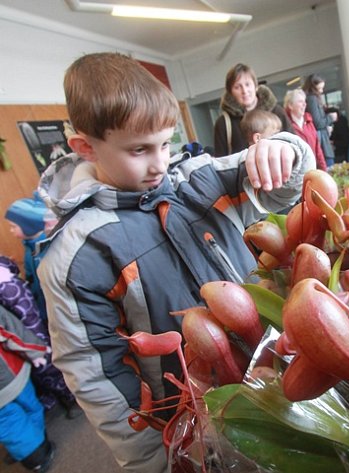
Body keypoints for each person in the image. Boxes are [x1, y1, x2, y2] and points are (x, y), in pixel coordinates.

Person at [36, 52, 314, 472]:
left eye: (166, 143)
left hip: (282, 370)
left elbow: (283, 186)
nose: (160, 162)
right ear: (85, 147)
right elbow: (99, 377)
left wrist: (284, 150)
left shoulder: (197, 176)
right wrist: (154, 462)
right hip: (203, 422)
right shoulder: (76, 254)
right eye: (139, 149)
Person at [0, 255, 80, 418]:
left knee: (47, 367)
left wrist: (34, 341)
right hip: (22, 331)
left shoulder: (6, 285)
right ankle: (52, 395)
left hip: (29, 331)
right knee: (39, 369)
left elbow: (25, 313)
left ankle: (72, 397)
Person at [0, 304, 55, 472]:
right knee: (29, 407)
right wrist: (36, 350)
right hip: (12, 374)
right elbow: (12, 331)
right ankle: (36, 455)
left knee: (9, 423)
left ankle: (30, 449)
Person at [213, 63, 293, 157]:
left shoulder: (277, 112)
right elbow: (221, 161)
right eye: (237, 87)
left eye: (247, 84)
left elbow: (294, 144)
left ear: (255, 86)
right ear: (231, 92)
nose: (244, 91)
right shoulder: (224, 123)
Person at [4, 195, 54, 320]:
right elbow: (30, 274)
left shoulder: (46, 246)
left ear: (29, 225)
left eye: (13, 226)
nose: (11, 230)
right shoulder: (29, 246)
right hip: (41, 301)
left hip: (53, 301)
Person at [284, 88, 327, 171]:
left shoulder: (309, 121)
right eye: (300, 101)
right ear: (290, 105)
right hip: (296, 175)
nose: (304, 104)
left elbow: (318, 149)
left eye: (304, 101)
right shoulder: (285, 126)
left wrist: (324, 170)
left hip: (313, 169)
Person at [302, 74, 337, 169]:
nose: (321, 91)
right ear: (313, 87)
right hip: (322, 145)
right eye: (319, 88)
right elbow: (317, 123)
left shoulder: (309, 98)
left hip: (321, 141)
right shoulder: (312, 99)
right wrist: (330, 118)